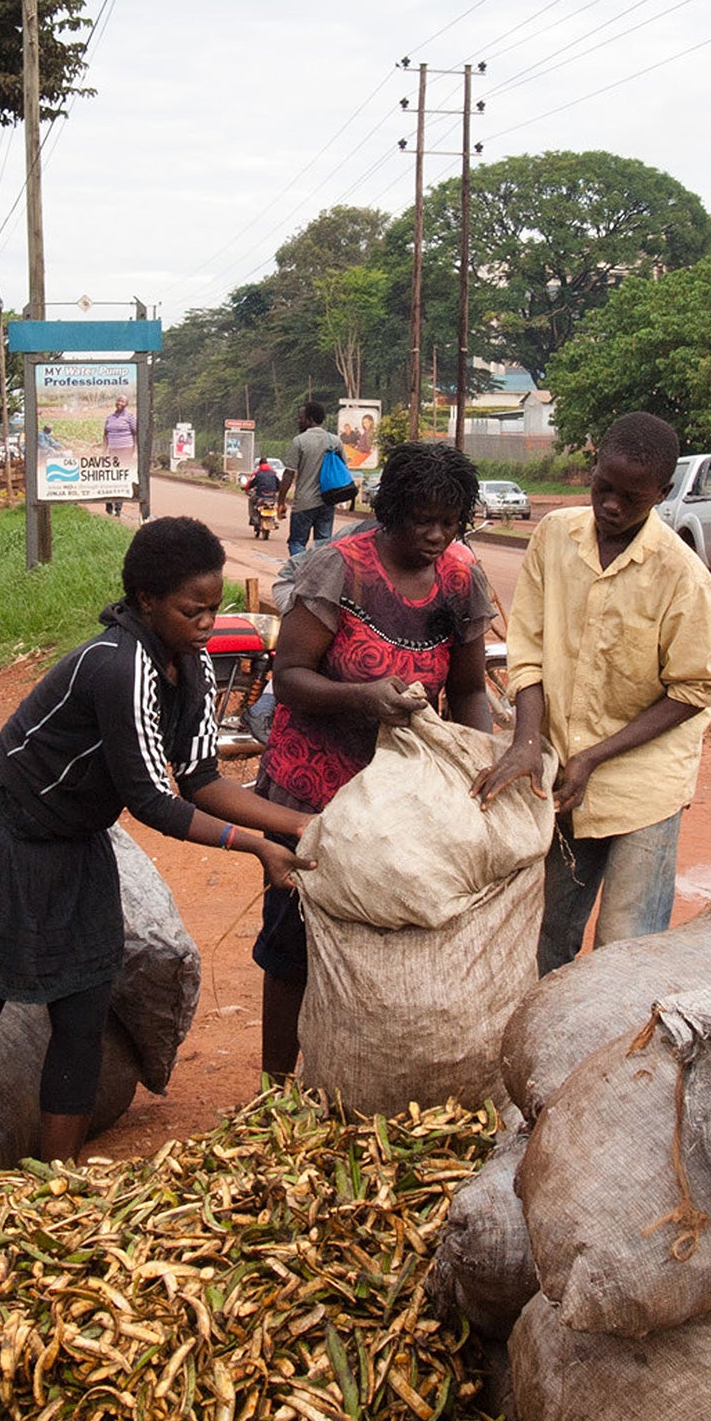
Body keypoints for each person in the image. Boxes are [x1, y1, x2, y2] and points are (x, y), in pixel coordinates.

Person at [0, 517, 315, 1216]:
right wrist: (255, 846)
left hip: (72, 846)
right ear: (146, 600)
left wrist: (301, 824)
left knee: (84, 1011)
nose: (207, 622)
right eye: (192, 610)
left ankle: (55, 1189)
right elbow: (152, 800)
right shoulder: (116, 665)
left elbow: (203, 778)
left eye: (212, 607)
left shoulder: (195, 665)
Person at [253, 441, 498, 1074]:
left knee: (386, 937)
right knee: (295, 941)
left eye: (450, 522)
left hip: (400, 796)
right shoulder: (340, 567)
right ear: (390, 510)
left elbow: (469, 690)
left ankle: (355, 1078)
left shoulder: (462, 576)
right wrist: (363, 698)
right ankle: (275, 1088)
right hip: (313, 787)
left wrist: (476, 765)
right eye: (422, 520)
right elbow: (291, 676)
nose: (436, 535)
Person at [473, 412, 711, 974]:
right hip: (562, 768)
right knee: (546, 933)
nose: (611, 505)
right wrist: (525, 743)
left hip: (643, 781)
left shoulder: (682, 576)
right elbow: (529, 649)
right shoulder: (554, 536)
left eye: (632, 498)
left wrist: (594, 755)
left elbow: (693, 690)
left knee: (625, 945)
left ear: (662, 495)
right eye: (603, 488)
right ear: (592, 471)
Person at [280, 400, 341, 556]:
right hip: (327, 502)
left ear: (310, 419)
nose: (298, 421)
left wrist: (281, 501)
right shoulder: (334, 441)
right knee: (323, 545)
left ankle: (302, 572)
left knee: (296, 542)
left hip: (304, 503)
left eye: (301, 418)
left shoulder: (299, 441)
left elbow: (288, 474)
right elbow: (343, 469)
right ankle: (319, 575)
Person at [245, 456, 283, 529]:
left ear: (260, 464)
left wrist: (246, 488)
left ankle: (254, 518)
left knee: (251, 501)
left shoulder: (257, 472)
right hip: (272, 496)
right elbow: (279, 483)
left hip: (260, 495)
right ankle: (273, 519)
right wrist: (276, 490)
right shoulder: (274, 472)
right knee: (272, 505)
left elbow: (250, 483)